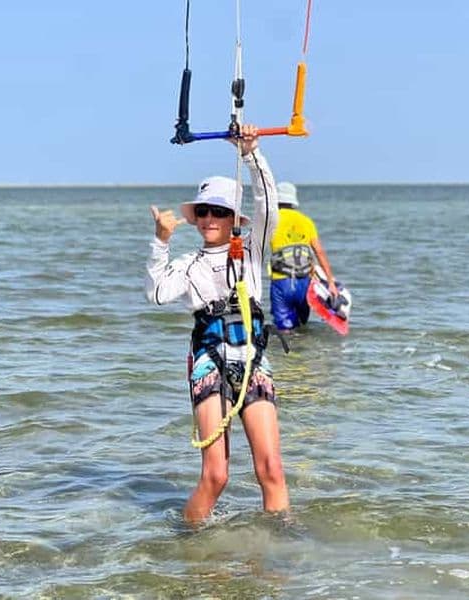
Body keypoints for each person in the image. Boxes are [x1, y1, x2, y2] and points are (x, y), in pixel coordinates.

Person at [145, 124, 288, 524]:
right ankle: (189, 546)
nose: (210, 218)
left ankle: (278, 555)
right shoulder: (188, 265)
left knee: (271, 470)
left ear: (232, 219)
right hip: (209, 361)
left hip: (254, 363)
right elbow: (156, 293)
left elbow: (269, 205)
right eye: (204, 211)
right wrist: (160, 242)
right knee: (217, 475)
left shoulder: (251, 250)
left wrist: (251, 153)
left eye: (220, 212)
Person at [269, 181, 339, 332]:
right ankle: (304, 354)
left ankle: (284, 355)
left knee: (284, 331)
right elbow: (319, 251)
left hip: (281, 283)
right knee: (301, 327)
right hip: (304, 283)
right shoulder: (306, 221)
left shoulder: (271, 219)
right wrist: (331, 282)